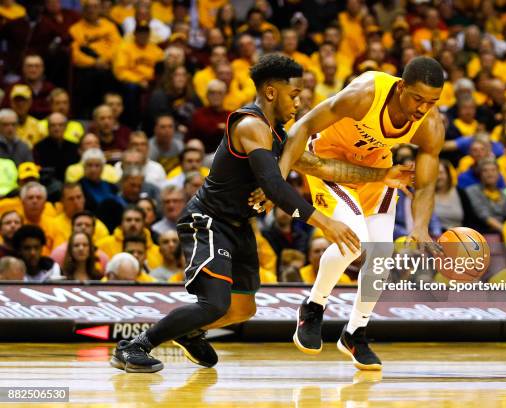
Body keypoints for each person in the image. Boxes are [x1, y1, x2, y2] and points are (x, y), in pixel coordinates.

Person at [110, 54, 411, 373]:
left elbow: (321, 166)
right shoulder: (251, 124)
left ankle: (190, 332)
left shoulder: (278, 135)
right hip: (209, 220)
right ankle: (134, 346)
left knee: (243, 308)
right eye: (294, 95)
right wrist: (324, 221)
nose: (299, 103)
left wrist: (381, 176)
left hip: (239, 226)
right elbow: (273, 185)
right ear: (271, 92)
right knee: (214, 303)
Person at [279, 56, 445, 370]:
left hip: (377, 171)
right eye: (418, 99)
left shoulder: (430, 124)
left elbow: (425, 184)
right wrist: (277, 178)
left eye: (432, 102)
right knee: (353, 241)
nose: (424, 108)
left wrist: (420, 227)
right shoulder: (365, 93)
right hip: (327, 161)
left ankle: (355, 331)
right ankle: (314, 306)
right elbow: (303, 126)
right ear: (400, 87)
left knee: (381, 255)